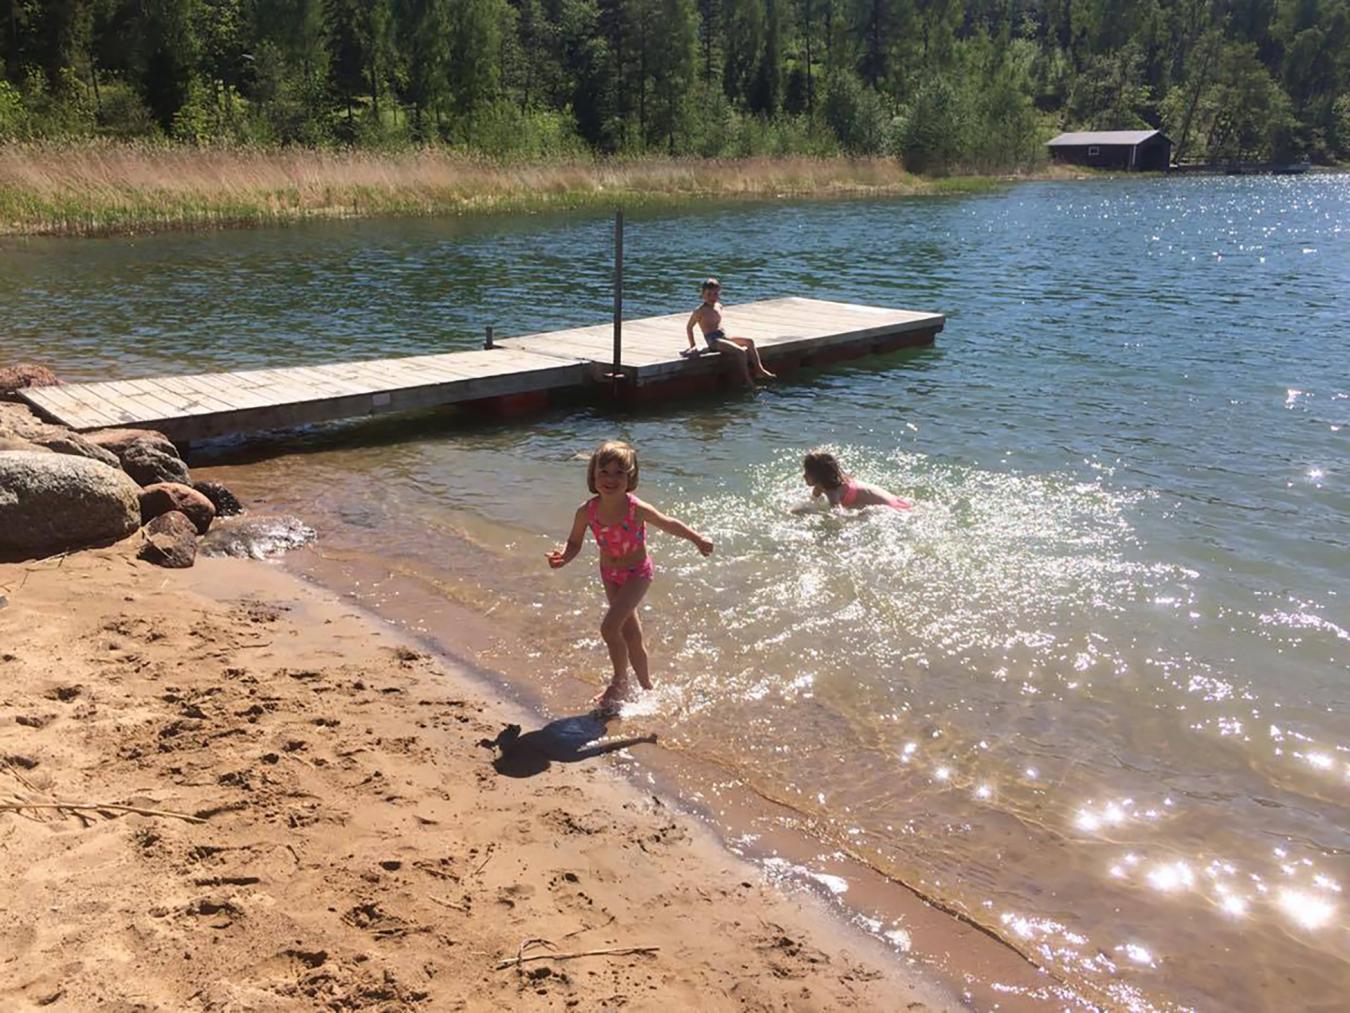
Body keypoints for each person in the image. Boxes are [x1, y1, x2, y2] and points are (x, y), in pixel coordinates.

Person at [547, 440, 714, 714]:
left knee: (609, 627)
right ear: (593, 476)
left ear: (630, 478)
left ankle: (619, 682)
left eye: (618, 473)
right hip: (609, 574)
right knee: (631, 634)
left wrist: (697, 539)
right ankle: (648, 687)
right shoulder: (586, 511)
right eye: (604, 472)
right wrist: (564, 556)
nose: (610, 479)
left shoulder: (635, 509)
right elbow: (574, 542)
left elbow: (668, 522)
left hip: (638, 573)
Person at [684, 277, 776, 387]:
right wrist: (692, 345)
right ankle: (747, 380)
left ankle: (759, 370)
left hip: (723, 336)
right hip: (713, 340)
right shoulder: (700, 311)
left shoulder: (719, 306)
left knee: (749, 342)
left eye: (716, 294)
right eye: (709, 294)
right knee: (740, 351)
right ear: (702, 294)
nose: (713, 297)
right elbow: (689, 327)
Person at [803, 450, 911, 511]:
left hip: (891, 508)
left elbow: (837, 516)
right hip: (894, 500)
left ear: (819, 476)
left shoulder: (833, 493)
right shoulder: (830, 484)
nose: (804, 476)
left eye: (807, 473)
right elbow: (813, 499)